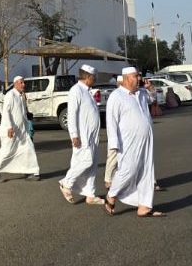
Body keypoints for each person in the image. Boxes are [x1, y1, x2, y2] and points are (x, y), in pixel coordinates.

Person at [103, 67, 166, 217]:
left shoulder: (141, 93)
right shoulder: (116, 96)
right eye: (135, 76)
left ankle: (144, 207)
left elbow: (153, 98)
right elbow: (111, 122)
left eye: (138, 76)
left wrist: (150, 87)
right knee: (127, 170)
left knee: (146, 172)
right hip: (127, 142)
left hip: (146, 140)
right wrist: (113, 144)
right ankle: (111, 196)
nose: (138, 79)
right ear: (125, 78)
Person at [59, 64, 103, 205]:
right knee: (86, 161)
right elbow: (72, 114)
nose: (95, 79)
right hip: (82, 136)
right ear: (87, 76)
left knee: (93, 164)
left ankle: (90, 194)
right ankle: (66, 183)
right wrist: (74, 135)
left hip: (92, 136)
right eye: (93, 77)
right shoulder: (76, 90)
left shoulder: (87, 91)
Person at [0, 76, 40, 182]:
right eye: (21, 83)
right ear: (15, 84)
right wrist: (9, 127)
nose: (24, 84)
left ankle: (32, 172)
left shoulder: (21, 96)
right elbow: (6, 112)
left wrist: (28, 125)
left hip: (22, 130)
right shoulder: (10, 95)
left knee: (28, 149)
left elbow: (21, 113)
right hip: (10, 130)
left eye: (23, 82)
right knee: (7, 150)